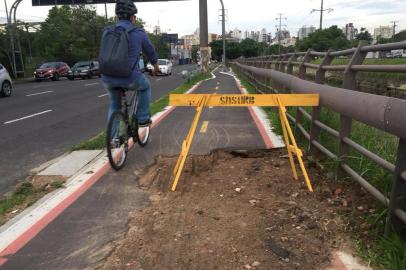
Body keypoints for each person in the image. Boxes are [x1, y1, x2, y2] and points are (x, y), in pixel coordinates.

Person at [101, 0, 159, 127]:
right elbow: (150, 51)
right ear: (133, 17)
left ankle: (113, 139)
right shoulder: (138, 32)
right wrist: (155, 66)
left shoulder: (107, 31)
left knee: (114, 104)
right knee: (145, 86)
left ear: (118, 17)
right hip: (129, 77)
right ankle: (143, 118)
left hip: (107, 77)